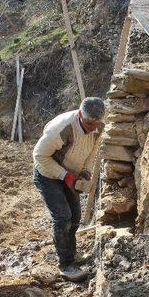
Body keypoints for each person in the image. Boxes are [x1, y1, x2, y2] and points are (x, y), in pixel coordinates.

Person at [33, 97, 105, 282]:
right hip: (48, 174)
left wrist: (85, 169)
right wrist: (64, 175)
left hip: (70, 173)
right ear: (80, 114)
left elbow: (92, 150)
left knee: (75, 217)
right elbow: (39, 155)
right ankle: (66, 264)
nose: (92, 128)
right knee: (63, 218)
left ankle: (71, 255)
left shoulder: (97, 127)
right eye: (89, 124)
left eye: (95, 124)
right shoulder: (63, 129)